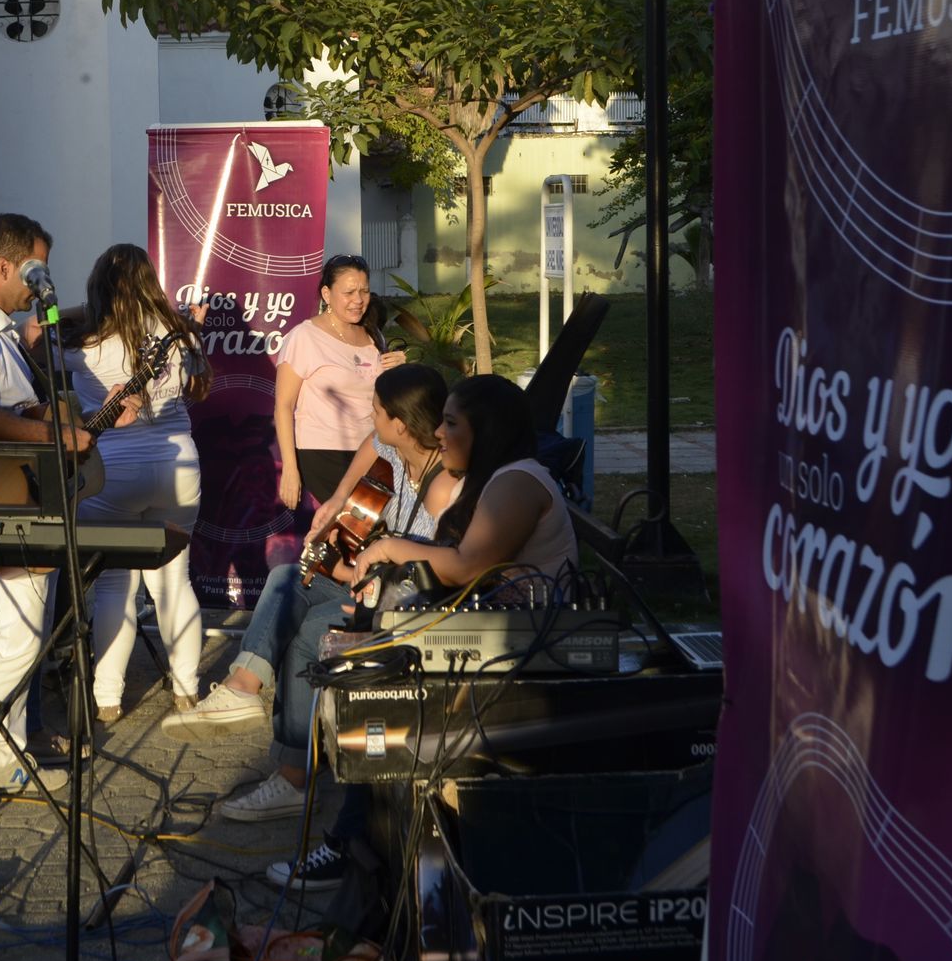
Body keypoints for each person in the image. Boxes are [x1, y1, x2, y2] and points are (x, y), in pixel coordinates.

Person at [258, 376, 580, 893]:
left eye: (452, 424)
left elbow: (465, 565)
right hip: (492, 634)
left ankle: (350, 849)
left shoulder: (517, 481)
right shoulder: (492, 478)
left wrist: (388, 552)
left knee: (379, 697)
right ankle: (371, 843)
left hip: (521, 647)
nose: (441, 434)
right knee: (363, 669)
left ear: (487, 429)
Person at [0, 213, 138, 814]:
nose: (44, 282)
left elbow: (16, 408)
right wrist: (50, 437)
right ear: (6, 265)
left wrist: (72, 418)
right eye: (37, 268)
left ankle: (0, 756)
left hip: (19, 501)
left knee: (22, 636)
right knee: (13, 642)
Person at [165, 367, 456, 808]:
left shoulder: (444, 487)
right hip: (379, 590)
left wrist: (347, 574)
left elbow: (430, 577)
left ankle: (293, 779)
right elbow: (369, 446)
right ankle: (244, 686)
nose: (369, 416)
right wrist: (338, 501)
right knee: (286, 577)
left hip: (409, 610)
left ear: (401, 423)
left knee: (308, 634)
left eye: (376, 410)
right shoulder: (397, 452)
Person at [64, 243, 210, 723]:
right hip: (177, 467)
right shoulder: (178, 334)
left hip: (112, 473)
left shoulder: (81, 342)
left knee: (112, 587)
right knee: (174, 581)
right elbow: (194, 383)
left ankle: (107, 701)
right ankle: (187, 691)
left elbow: (35, 352)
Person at [275, 254, 404, 510]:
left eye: (364, 291)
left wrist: (398, 372)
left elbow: (384, 398)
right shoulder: (305, 336)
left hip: (372, 450)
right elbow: (283, 406)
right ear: (326, 293)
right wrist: (290, 468)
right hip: (323, 452)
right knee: (351, 526)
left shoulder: (373, 335)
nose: (358, 300)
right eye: (349, 292)